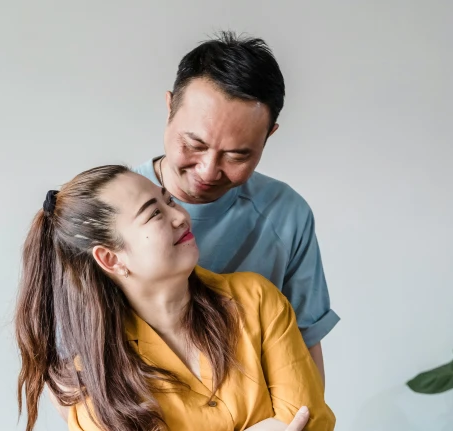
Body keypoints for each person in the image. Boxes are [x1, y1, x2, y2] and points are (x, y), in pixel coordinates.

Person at [15, 165, 336, 431]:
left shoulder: (257, 299)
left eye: (168, 200)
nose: (180, 216)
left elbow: (307, 424)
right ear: (111, 258)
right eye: (154, 213)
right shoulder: (91, 369)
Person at [133, 32, 339, 385]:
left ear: (268, 136)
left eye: (237, 155)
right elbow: (66, 371)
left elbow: (303, 347)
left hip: (260, 428)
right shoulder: (104, 207)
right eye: (193, 144)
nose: (208, 171)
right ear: (169, 108)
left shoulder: (285, 215)